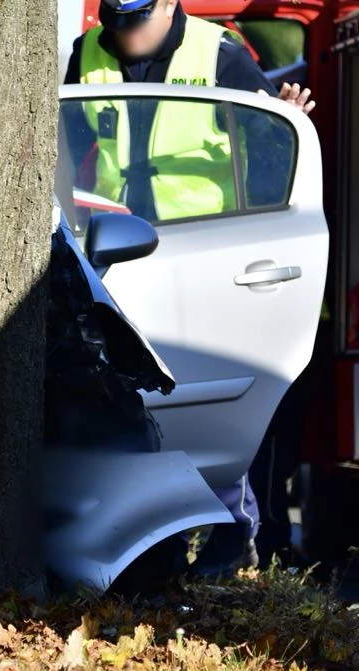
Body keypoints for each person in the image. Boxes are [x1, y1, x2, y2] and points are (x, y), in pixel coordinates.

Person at [64, 0, 315, 574]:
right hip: (115, 256)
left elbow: (272, 145)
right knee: (128, 407)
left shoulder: (219, 54)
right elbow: (65, 146)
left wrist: (286, 115)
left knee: (205, 403)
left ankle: (236, 536)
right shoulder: (88, 51)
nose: (122, 34)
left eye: (136, 20)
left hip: (206, 256)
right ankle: (152, 546)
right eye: (113, 20)